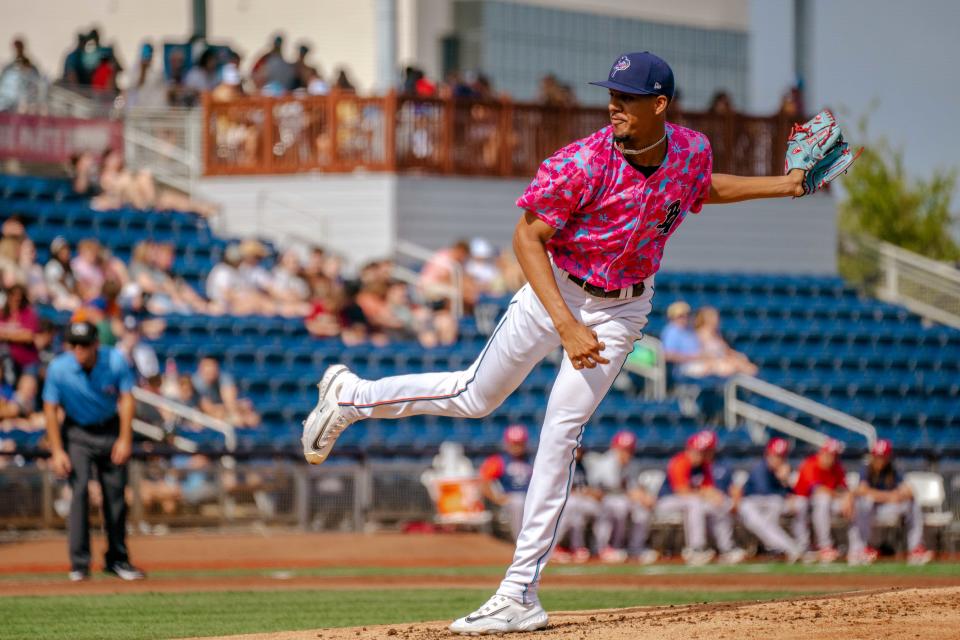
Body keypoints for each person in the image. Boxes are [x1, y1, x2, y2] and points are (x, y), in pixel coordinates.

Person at [300, 51, 827, 634]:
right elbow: (527, 239)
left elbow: (704, 188)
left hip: (625, 307)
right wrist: (568, 324)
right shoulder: (581, 162)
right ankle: (351, 396)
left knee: (561, 433)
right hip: (557, 290)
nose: (613, 104)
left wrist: (790, 183)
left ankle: (519, 591)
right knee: (475, 396)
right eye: (612, 93)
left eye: (627, 96)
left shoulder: (691, 150)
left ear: (659, 105)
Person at [42, 320, 144, 582]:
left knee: (115, 496)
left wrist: (124, 439)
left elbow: (127, 398)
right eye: (73, 344)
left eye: (84, 344)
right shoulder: (59, 368)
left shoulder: (115, 361)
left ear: (96, 344)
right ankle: (79, 563)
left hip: (109, 429)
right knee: (79, 494)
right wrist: (57, 450)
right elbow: (51, 409)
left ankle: (118, 559)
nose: (78, 350)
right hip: (77, 432)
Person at [656, 430, 745, 566]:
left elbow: (708, 489)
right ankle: (695, 548)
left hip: (691, 501)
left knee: (719, 505)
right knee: (695, 503)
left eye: (702, 451)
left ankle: (727, 548)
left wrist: (716, 497)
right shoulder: (680, 461)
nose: (700, 455)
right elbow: (682, 491)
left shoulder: (704, 466)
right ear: (689, 450)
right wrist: (705, 493)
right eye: (697, 451)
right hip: (666, 501)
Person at [849, 439, 933, 566]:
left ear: (888, 457)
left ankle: (915, 549)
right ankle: (858, 551)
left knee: (912, 503)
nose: (879, 460)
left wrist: (896, 496)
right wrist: (889, 496)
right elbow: (862, 490)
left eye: (882, 456)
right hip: (870, 511)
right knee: (862, 503)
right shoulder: (866, 469)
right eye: (877, 456)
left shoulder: (892, 470)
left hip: (887, 510)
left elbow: (910, 492)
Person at [590, 430, 658, 564]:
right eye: (623, 449)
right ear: (614, 448)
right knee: (619, 506)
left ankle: (635, 548)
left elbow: (633, 487)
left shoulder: (631, 464)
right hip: (598, 499)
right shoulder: (606, 462)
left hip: (620, 498)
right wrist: (636, 495)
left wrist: (644, 496)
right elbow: (607, 490)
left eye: (629, 449)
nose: (627, 452)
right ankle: (605, 547)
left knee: (642, 511)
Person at [732, 437, 803, 562]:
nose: (778, 459)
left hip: (769, 505)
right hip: (751, 503)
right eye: (775, 455)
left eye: (781, 456)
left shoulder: (784, 469)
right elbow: (764, 492)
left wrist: (785, 482)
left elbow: (791, 493)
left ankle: (788, 547)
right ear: (768, 454)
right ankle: (788, 547)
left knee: (799, 504)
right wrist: (783, 483)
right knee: (760, 518)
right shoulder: (760, 467)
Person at [792, 438, 853, 563]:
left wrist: (848, 497)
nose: (831, 458)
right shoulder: (810, 464)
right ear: (821, 453)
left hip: (825, 502)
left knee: (852, 503)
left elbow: (844, 489)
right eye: (829, 454)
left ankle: (856, 547)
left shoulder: (836, 467)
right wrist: (841, 496)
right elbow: (818, 490)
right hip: (803, 501)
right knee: (822, 500)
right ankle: (823, 546)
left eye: (834, 455)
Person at [478, 425, 534, 541]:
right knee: (518, 502)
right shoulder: (499, 460)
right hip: (512, 499)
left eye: (520, 443)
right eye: (514, 443)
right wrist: (497, 498)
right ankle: (521, 541)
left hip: (531, 498)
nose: (517, 447)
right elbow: (483, 482)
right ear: (507, 443)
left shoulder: (532, 459)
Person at [553, 445, 600, 564]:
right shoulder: (562, 464)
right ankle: (556, 547)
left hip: (580, 500)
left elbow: (588, 488)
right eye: (576, 449)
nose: (578, 452)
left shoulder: (582, 466)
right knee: (572, 507)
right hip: (563, 500)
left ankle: (597, 547)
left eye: (580, 450)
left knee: (597, 509)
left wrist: (589, 492)